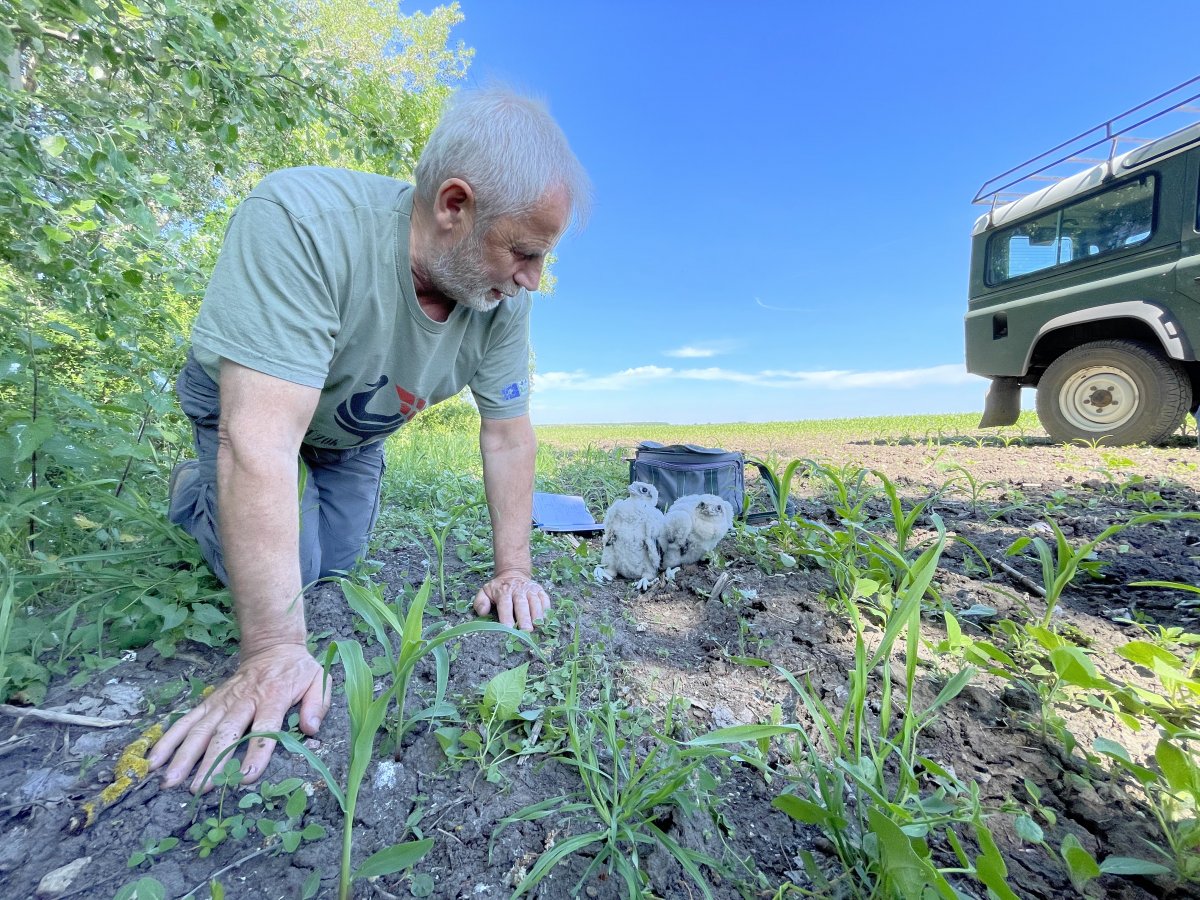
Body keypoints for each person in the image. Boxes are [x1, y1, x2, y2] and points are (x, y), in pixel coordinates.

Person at [147, 86, 590, 793]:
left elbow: (507, 435)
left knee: (336, 563)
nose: (533, 278)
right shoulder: (305, 221)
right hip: (260, 415)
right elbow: (258, 437)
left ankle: (299, 499)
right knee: (289, 567)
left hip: (351, 430)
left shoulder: (503, 305)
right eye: (526, 251)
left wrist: (513, 570)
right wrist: (272, 653)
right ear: (454, 206)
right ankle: (193, 492)